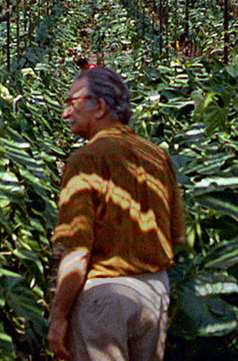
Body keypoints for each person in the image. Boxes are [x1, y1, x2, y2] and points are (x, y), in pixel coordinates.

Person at [48, 67, 187, 361]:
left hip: (105, 299)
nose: (65, 113)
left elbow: (78, 253)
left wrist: (58, 316)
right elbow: (176, 235)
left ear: (99, 106)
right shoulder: (157, 156)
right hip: (155, 293)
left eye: (71, 102)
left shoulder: (86, 160)